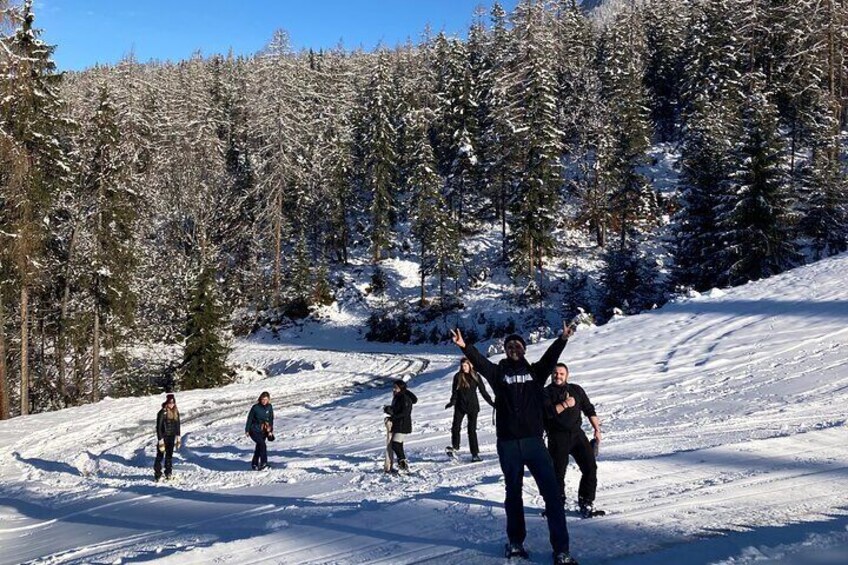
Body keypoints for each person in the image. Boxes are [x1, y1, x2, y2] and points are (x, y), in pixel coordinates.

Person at [451, 322, 578, 565]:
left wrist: (562, 338)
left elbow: (551, 358)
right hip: (508, 445)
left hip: (534, 443)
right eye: (509, 346)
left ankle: (561, 551)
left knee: (552, 494)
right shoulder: (498, 374)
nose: (513, 348)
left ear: (524, 349)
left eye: (517, 345)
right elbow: (480, 363)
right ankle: (516, 543)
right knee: (513, 495)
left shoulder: (536, 373)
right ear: (506, 350)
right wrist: (464, 346)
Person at [544, 363, 602, 518]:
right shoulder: (546, 392)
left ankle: (586, 502)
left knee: (590, 467)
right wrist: (565, 404)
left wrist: (597, 429)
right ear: (551, 375)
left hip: (577, 435)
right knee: (557, 474)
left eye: (561, 373)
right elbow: (547, 414)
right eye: (555, 373)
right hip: (557, 437)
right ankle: (557, 505)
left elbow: (589, 409)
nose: (558, 376)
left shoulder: (576, 390)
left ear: (567, 375)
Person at [445, 357, 495, 462]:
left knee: (471, 431)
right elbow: (455, 392)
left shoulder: (476, 376)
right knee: (455, 427)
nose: (464, 368)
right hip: (460, 406)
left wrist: (492, 403)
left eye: (465, 365)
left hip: (473, 406)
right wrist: (452, 402)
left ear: (470, 365)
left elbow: (483, 391)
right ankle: (455, 447)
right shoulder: (458, 376)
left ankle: (475, 454)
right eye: (462, 366)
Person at [383, 379, 418, 472]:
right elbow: (397, 410)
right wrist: (389, 410)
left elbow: (405, 412)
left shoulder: (404, 398)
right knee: (398, 444)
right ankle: (402, 463)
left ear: (401, 388)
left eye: (396, 388)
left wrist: (393, 415)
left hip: (403, 424)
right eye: (393, 388)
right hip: (398, 423)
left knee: (395, 444)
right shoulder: (398, 396)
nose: (394, 390)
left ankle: (402, 463)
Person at [154, 393, 181, 481]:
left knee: (169, 456)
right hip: (163, 437)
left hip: (171, 437)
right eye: (170, 402)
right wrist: (160, 440)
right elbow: (158, 427)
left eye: (173, 402)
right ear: (167, 402)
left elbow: (178, 425)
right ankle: (157, 474)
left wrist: (178, 437)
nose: (171, 404)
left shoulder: (176, 412)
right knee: (160, 455)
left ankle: (168, 472)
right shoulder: (162, 412)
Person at [245, 391, 274, 470]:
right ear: (260, 399)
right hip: (254, 430)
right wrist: (247, 430)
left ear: (268, 400)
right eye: (263, 399)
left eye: (266, 399)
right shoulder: (255, 407)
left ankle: (254, 464)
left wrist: (270, 430)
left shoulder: (269, 407)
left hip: (264, 430)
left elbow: (271, 419)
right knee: (262, 445)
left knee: (259, 447)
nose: (264, 401)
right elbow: (249, 419)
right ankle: (264, 463)